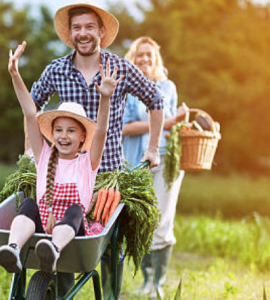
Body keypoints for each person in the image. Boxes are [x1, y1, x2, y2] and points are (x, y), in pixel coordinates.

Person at [29, 4, 165, 299]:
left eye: (89, 27)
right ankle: (59, 292)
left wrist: (153, 149)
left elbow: (156, 99)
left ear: (101, 31)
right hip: (65, 174)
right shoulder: (57, 70)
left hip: (107, 178)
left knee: (108, 250)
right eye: (77, 28)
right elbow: (32, 104)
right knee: (59, 240)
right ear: (70, 33)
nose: (83, 33)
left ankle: (110, 296)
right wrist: (31, 149)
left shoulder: (121, 69)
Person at [0, 41, 123, 277]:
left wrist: (105, 98)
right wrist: (15, 75)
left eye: (71, 130)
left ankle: (52, 250)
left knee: (75, 209)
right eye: (59, 130)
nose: (64, 136)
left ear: (83, 136)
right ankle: (13, 249)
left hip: (72, 233)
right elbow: (29, 113)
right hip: (42, 226)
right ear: (52, 134)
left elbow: (103, 131)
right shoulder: (44, 155)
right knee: (29, 205)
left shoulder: (87, 163)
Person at [122, 37, 187, 299]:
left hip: (164, 162)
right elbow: (125, 127)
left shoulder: (167, 86)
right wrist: (166, 120)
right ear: (133, 58)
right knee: (140, 223)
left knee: (162, 223)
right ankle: (146, 280)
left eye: (149, 55)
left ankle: (157, 284)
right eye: (140, 55)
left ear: (156, 58)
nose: (145, 59)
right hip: (135, 163)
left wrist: (180, 124)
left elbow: (170, 130)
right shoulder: (126, 88)